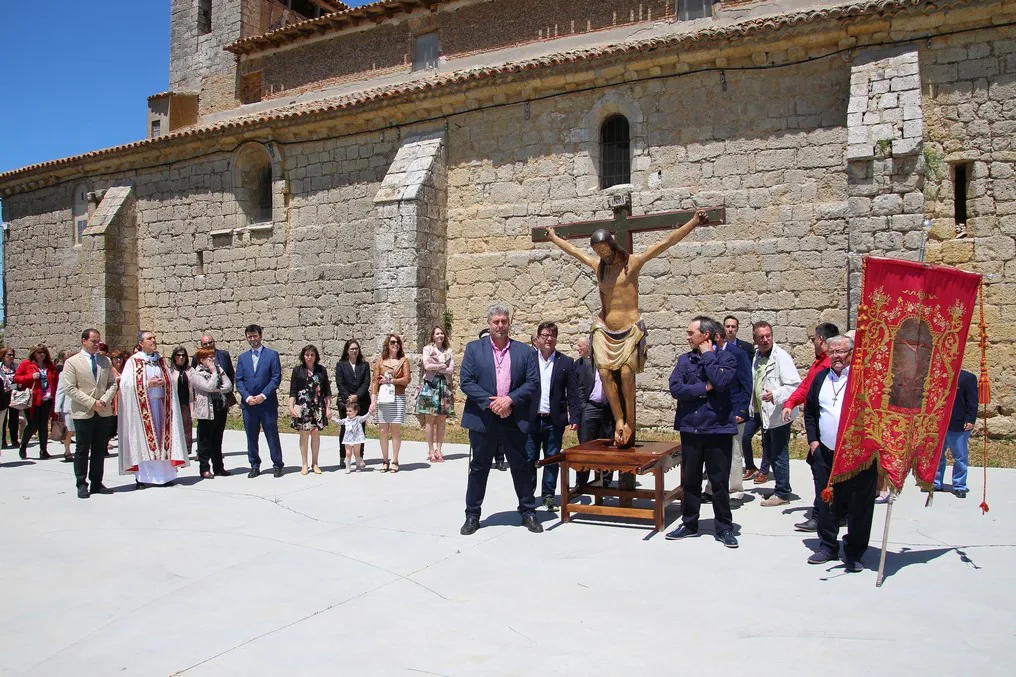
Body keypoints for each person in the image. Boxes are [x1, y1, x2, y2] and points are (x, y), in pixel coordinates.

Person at [544, 209, 711, 447]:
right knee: (603, 372)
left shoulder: (632, 264)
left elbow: (666, 242)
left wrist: (693, 222)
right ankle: (619, 419)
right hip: (604, 327)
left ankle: (630, 421)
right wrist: (554, 238)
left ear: (612, 246)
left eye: (604, 250)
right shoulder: (597, 267)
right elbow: (574, 251)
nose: (601, 254)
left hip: (629, 328)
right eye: (597, 251)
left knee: (624, 373)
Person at [459, 303, 542, 535]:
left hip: (514, 417)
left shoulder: (525, 351)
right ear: (489, 323)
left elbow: (532, 382)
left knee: (521, 466)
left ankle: (528, 512)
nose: (500, 325)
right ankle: (472, 515)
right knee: (478, 467)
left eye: (504, 321)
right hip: (484, 418)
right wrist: (493, 403)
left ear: (509, 323)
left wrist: (509, 400)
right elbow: (466, 382)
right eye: (496, 321)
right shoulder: (474, 349)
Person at [666, 316, 739, 548]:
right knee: (691, 480)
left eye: (691, 333)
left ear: (705, 335)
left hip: (718, 430)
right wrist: (703, 388)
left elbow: (721, 381)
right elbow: (676, 388)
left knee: (718, 482)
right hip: (691, 429)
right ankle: (689, 523)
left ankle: (724, 527)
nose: (688, 337)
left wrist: (708, 356)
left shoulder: (726, 357)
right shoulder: (684, 360)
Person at [802, 336, 874, 571]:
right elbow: (811, 411)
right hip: (825, 451)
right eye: (832, 352)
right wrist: (813, 441)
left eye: (841, 352)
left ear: (852, 353)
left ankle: (854, 552)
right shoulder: (821, 378)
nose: (836, 356)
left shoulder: (862, 379)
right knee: (827, 501)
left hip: (857, 455)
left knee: (858, 505)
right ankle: (827, 546)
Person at [780, 322, 840, 531]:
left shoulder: (827, 367)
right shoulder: (819, 364)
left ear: (821, 340)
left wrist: (791, 403)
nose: (812, 342)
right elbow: (805, 386)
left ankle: (821, 515)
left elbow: (809, 392)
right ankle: (834, 512)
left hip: (828, 433)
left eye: (814, 338)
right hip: (821, 432)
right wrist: (790, 403)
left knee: (822, 474)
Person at [118, 331, 189, 487]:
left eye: (154, 338)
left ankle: (164, 477)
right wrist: (146, 384)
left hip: (162, 407)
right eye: (149, 338)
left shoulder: (160, 361)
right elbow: (125, 384)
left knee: (163, 441)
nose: (153, 340)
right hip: (142, 410)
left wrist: (164, 382)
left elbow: (170, 380)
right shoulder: (133, 362)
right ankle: (143, 478)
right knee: (143, 442)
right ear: (141, 344)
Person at [525, 321, 581, 511]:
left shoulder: (566, 362)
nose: (549, 339)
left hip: (554, 420)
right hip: (531, 418)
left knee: (552, 459)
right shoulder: (528, 359)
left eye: (552, 336)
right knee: (529, 458)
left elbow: (572, 392)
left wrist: (575, 417)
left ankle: (548, 496)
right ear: (537, 339)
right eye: (545, 335)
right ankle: (528, 496)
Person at [61, 329, 119, 498]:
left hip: (103, 411)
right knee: (82, 448)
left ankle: (96, 482)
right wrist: (92, 403)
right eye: (93, 341)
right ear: (83, 341)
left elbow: (112, 384)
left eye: (98, 341)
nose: (97, 344)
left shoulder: (105, 360)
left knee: (99, 449)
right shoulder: (72, 362)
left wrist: (103, 401)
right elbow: (70, 388)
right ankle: (81, 483)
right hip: (83, 411)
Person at [749, 321, 801, 506]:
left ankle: (782, 493)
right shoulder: (757, 356)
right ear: (754, 339)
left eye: (768, 335)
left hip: (778, 414)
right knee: (770, 451)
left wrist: (775, 395)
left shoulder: (781, 357)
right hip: (764, 414)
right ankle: (780, 487)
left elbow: (794, 386)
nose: (765, 340)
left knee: (779, 454)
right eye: (761, 337)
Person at [703, 327, 752, 508]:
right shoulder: (706, 355)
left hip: (734, 412)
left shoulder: (738, 354)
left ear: (716, 337)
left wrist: (742, 411)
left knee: (734, 451)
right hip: (713, 413)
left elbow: (746, 383)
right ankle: (711, 489)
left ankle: (735, 491)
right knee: (712, 452)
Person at [235, 324, 285, 478]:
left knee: (272, 434)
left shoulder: (272, 355)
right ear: (246, 338)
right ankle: (254, 465)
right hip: (249, 405)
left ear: (260, 335)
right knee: (251, 436)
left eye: (255, 336)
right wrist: (248, 397)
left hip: (267, 403)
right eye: (249, 337)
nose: (253, 339)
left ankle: (277, 464)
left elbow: (276, 378)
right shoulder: (242, 358)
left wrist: (263, 395)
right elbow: (239, 380)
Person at [573, 335, 615, 488]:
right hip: (590, 408)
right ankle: (581, 482)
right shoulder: (586, 364)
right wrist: (584, 407)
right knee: (585, 446)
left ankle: (606, 481)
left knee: (607, 445)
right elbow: (581, 388)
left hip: (607, 409)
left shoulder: (611, 364)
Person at [369, 334, 411, 473]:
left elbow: (406, 379)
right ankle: (385, 460)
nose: (395, 344)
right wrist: (373, 401)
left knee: (395, 430)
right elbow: (375, 381)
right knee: (382, 430)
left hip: (398, 397)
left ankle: (395, 460)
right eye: (393, 342)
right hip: (384, 397)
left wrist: (390, 381)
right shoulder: (380, 361)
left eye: (398, 342)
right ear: (387, 344)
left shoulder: (404, 360)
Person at [934, 369, 978, 497]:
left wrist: (970, 419)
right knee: (937, 455)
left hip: (958, 423)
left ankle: (959, 485)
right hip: (940, 423)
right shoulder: (939, 375)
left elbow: (972, 401)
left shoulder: (967, 378)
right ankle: (936, 482)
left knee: (960, 456)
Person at [289, 344, 332, 475]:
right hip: (303, 407)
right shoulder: (297, 371)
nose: (309, 357)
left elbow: (327, 392)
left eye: (312, 355)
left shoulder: (321, 370)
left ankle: (315, 463)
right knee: (304, 435)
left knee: (315, 434)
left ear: (316, 356)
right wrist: (291, 407)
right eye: (307, 354)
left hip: (318, 406)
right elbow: (293, 391)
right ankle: (304, 464)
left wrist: (328, 408)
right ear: (303, 356)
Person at [191, 347, 233, 479]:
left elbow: (228, 385)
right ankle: (204, 468)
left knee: (217, 438)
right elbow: (208, 387)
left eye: (213, 357)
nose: (212, 360)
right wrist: (214, 374)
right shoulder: (196, 373)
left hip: (220, 407)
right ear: (202, 360)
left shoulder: (219, 368)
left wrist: (217, 388)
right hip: (206, 410)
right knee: (205, 440)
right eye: (209, 358)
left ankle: (219, 467)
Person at [14, 344, 60, 460]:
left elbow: (55, 381)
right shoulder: (26, 364)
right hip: (33, 400)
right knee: (33, 424)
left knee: (43, 426)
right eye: (39, 352)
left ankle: (43, 450)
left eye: (44, 352)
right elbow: (17, 378)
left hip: (47, 399)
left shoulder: (49, 366)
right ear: (34, 353)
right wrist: (31, 376)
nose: (42, 354)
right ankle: (23, 446)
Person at [418, 326, 455, 464]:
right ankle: (431, 450)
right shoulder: (427, 349)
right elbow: (427, 366)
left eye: (441, 333)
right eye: (437, 333)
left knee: (441, 420)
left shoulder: (449, 351)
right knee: (430, 419)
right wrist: (441, 366)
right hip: (430, 386)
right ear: (433, 336)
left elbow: (451, 369)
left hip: (444, 386)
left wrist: (437, 365)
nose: (440, 335)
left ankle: (439, 450)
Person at [335, 340, 370, 469]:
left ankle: (359, 457)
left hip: (361, 401)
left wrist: (357, 396)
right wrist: (349, 397)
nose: (354, 351)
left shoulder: (364, 365)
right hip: (346, 401)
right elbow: (340, 383)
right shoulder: (341, 365)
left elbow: (366, 383)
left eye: (356, 348)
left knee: (360, 429)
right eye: (351, 349)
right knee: (345, 429)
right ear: (347, 351)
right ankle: (343, 456)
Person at [478, 327, 508, 472]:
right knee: (484, 435)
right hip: (484, 403)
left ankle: (500, 459)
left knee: (501, 435)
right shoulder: (478, 355)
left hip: (501, 402)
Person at [169, 346, 195, 459]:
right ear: (174, 357)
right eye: (178, 355)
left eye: (183, 355)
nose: (181, 357)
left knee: (187, 427)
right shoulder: (170, 371)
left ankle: (187, 451)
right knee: (174, 427)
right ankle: (176, 451)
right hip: (173, 403)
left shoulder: (190, 370)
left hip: (186, 403)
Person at [336, 395, 369, 473]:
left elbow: (365, 417)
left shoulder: (358, 419)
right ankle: (348, 467)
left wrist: (370, 412)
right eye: (347, 411)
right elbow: (339, 421)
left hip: (357, 439)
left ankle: (358, 466)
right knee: (348, 453)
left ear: (356, 411)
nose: (348, 413)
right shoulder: (346, 420)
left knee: (357, 454)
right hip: (348, 440)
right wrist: (331, 418)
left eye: (350, 411)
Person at [1, 349, 19, 449]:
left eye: (13, 355)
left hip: (14, 394)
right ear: (4, 355)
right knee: (2, 419)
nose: (11, 357)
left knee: (14, 418)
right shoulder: (0, 367)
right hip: (2, 395)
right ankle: (2, 441)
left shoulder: (16, 366)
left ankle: (14, 440)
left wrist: (12, 387)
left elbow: (18, 380)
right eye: (9, 355)